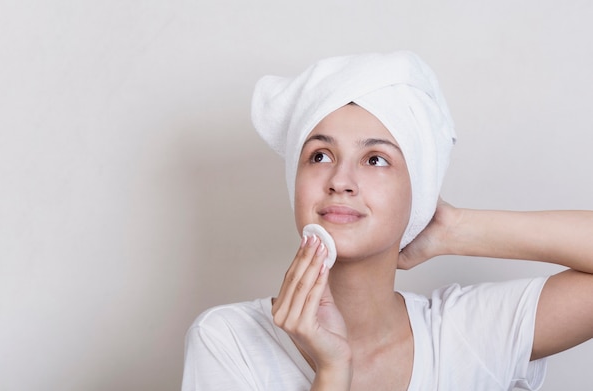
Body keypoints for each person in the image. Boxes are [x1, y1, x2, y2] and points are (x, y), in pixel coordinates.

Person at [181, 51, 593, 390]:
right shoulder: (228, 340)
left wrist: (451, 228)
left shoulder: (468, 332)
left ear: (419, 188)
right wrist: (333, 370)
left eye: (375, 159)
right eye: (320, 156)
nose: (340, 181)